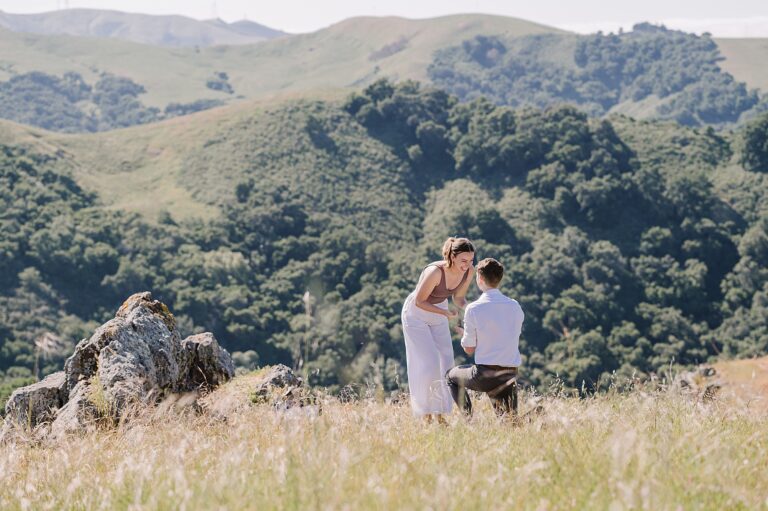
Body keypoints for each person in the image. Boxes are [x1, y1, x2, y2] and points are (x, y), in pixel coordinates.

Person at [402, 237, 475, 421]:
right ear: (452, 256)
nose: (467, 265)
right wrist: (446, 314)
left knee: (445, 361)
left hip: (439, 311)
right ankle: (425, 415)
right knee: (429, 362)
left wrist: (472, 309)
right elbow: (419, 301)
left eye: (471, 260)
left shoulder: (468, 272)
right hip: (416, 313)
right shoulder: (435, 272)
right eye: (463, 261)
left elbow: (458, 298)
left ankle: (441, 415)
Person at [447, 257, 524, 417]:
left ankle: (469, 421)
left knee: (451, 377)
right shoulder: (515, 306)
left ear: (480, 278)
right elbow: (506, 336)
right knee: (510, 423)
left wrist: (465, 336)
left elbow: (469, 349)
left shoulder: (474, 309)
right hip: (509, 373)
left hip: (485, 375)